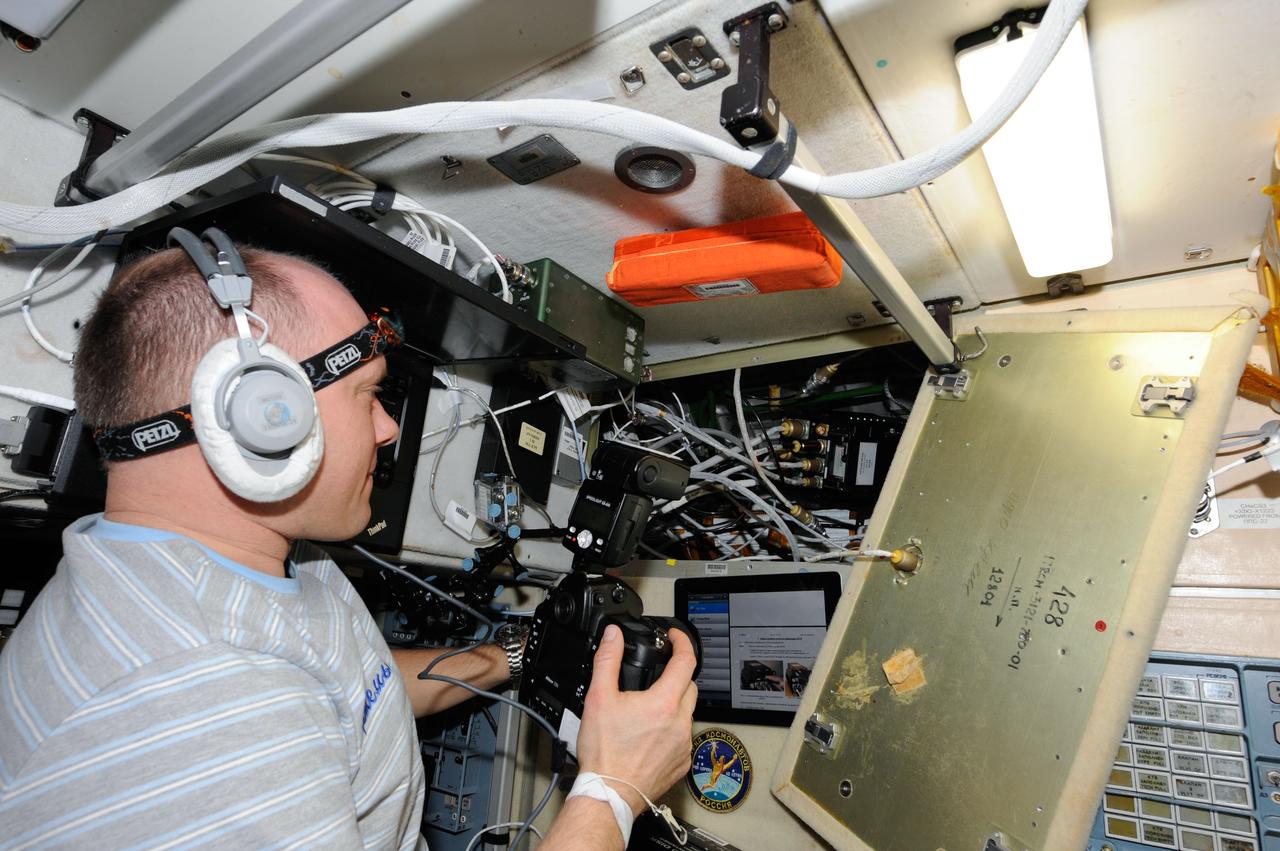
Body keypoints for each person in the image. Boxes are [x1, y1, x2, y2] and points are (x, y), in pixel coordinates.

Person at [0, 239, 697, 850]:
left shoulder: (211, 565)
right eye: (368, 395)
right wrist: (614, 788)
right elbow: (270, 709)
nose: (389, 429)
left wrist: (510, 655)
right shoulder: (198, 707)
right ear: (259, 421)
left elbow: (351, 692)